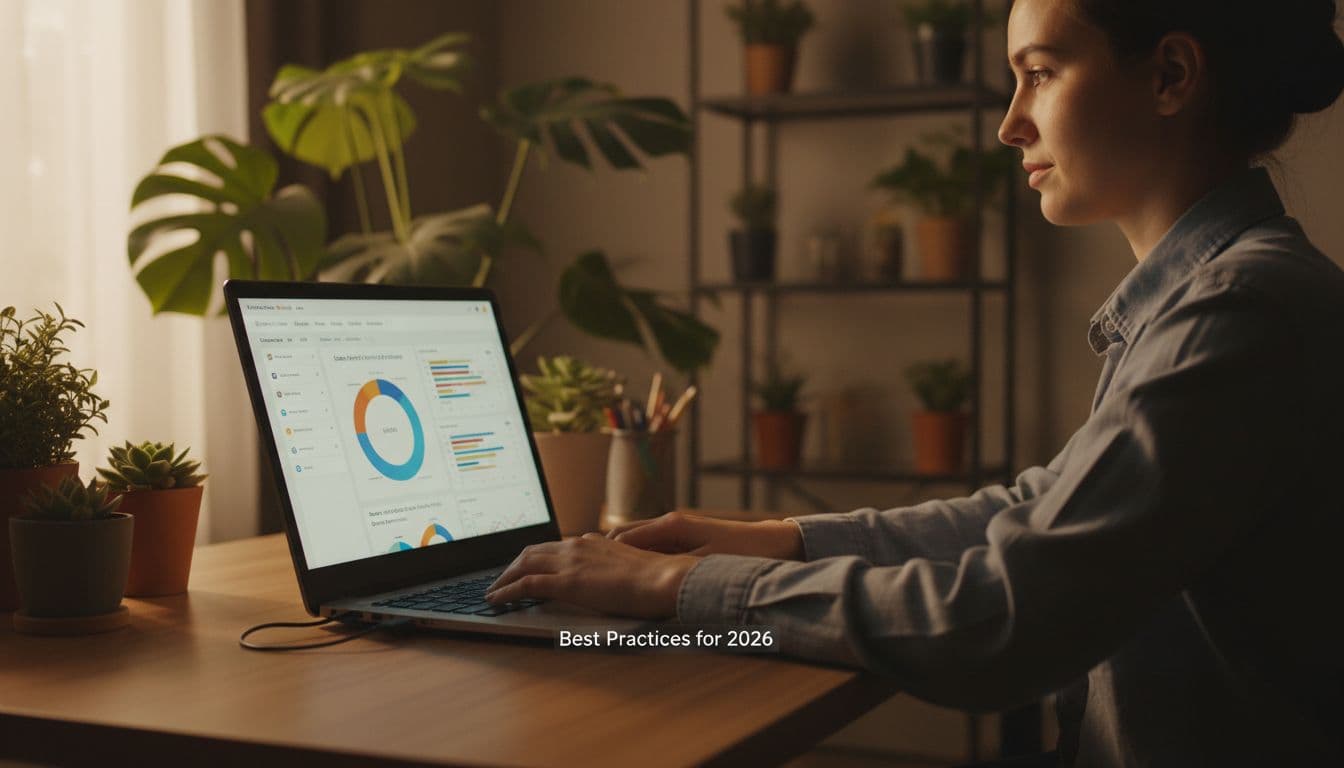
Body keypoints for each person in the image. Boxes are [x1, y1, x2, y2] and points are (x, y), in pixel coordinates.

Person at [488, 0, 1344, 764]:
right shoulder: (1212, 299)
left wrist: (674, 586)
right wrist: (775, 538)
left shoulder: (1240, 312)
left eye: (1038, 75)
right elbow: (1028, 516)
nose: (1010, 125)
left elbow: (1010, 615)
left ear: (1170, 75)